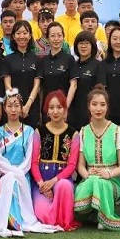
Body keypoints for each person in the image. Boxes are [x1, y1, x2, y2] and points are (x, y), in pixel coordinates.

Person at [0, 88, 58, 237]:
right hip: (4, 173)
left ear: (22, 108)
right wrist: (11, 172)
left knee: (15, 181)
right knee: (10, 180)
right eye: (9, 106)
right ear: (4, 108)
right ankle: (11, 223)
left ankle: (16, 222)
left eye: (16, 105)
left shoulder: (29, 131)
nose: (13, 109)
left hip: (23, 173)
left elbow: (29, 159)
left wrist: (18, 172)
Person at [74, 85, 120, 231]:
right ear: (88, 106)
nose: (98, 109)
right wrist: (87, 175)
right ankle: (96, 212)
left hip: (112, 180)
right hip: (90, 179)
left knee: (101, 183)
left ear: (107, 107)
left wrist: (108, 174)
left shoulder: (117, 131)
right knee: (94, 182)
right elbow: (80, 165)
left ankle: (104, 217)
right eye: (94, 104)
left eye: (102, 105)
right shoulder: (83, 132)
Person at [30, 91, 80, 230]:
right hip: (41, 182)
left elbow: (72, 165)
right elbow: (33, 163)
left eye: (59, 107)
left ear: (65, 109)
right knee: (41, 212)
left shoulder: (74, 134)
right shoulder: (39, 132)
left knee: (64, 186)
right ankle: (55, 218)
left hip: (61, 179)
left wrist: (54, 181)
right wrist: (42, 184)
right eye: (51, 107)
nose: (55, 111)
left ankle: (63, 220)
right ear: (47, 110)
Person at [1, 20, 42, 128]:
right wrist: (16, 106)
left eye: (25, 33)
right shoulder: (8, 59)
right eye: (18, 33)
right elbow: (7, 84)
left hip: (32, 106)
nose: (22, 36)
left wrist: (27, 105)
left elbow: (37, 86)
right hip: (13, 107)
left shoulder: (37, 59)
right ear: (13, 36)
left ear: (30, 36)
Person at [69, 30, 105, 130]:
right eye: (80, 43)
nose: (83, 46)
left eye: (87, 43)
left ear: (92, 46)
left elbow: (100, 91)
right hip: (72, 113)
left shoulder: (98, 65)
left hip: (89, 113)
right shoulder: (72, 65)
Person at [39, 22, 77, 111]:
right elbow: (40, 88)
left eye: (59, 35)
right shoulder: (43, 61)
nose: (56, 39)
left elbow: (74, 85)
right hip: (47, 109)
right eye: (52, 36)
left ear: (63, 37)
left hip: (63, 108)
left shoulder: (69, 59)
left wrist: (65, 107)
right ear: (48, 38)